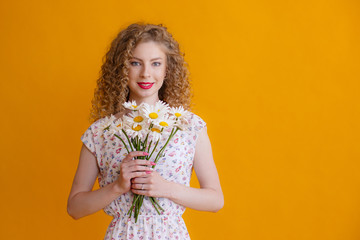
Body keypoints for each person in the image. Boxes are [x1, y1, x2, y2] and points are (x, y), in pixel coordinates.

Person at [67, 23, 224, 240]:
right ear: (122, 68)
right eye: (135, 63)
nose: (146, 73)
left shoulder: (189, 126)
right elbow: (75, 208)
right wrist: (118, 187)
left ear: (167, 69)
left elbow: (215, 200)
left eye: (156, 63)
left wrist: (165, 188)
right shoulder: (101, 132)